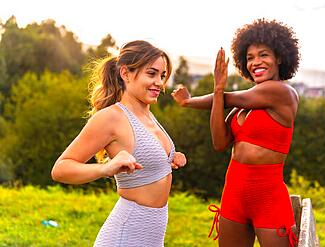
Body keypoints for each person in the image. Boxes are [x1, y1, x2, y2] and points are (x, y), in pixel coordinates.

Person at [171, 19, 300, 247]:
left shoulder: (281, 92)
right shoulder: (243, 107)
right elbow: (219, 143)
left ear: (279, 57)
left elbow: (227, 99)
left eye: (264, 55)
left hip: (268, 197)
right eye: (250, 58)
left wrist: (190, 101)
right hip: (234, 194)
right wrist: (218, 91)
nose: (256, 62)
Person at [51, 40, 187, 247]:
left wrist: (169, 158)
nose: (159, 82)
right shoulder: (110, 118)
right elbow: (60, 169)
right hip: (125, 236)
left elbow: (146, 159)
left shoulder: (147, 114)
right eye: (151, 74)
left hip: (152, 237)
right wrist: (105, 169)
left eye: (162, 75)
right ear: (125, 73)